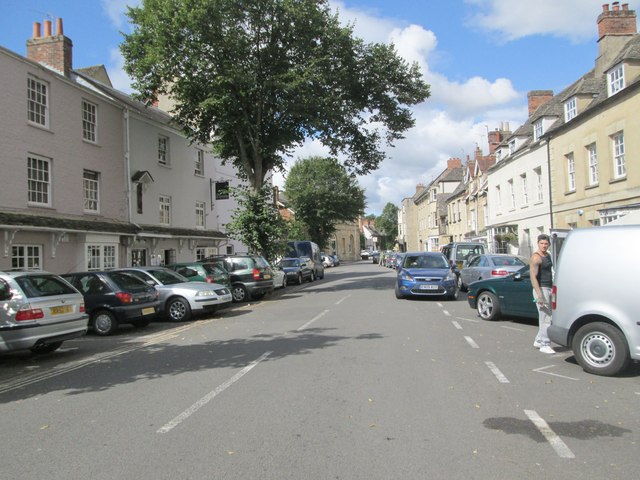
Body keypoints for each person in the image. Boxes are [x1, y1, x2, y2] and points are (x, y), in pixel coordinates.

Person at [530, 234, 554, 354]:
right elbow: (533, 277)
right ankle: (544, 344)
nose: (544, 246)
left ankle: (539, 340)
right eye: (542, 243)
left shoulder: (548, 256)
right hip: (541, 289)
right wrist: (539, 295)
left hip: (549, 288)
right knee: (546, 318)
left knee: (548, 316)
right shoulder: (536, 257)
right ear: (538, 243)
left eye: (546, 244)